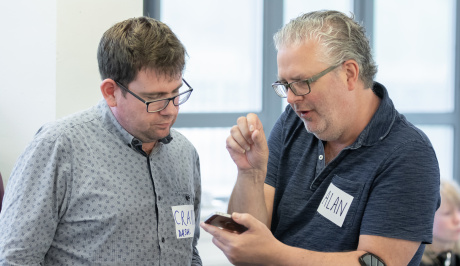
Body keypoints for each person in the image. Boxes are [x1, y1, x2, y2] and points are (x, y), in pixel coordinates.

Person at [201, 10, 440, 266]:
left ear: (349, 73)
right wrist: (250, 173)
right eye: (285, 85)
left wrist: (273, 254)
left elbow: (376, 263)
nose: (291, 98)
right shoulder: (295, 122)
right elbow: (248, 248)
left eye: (302, 82)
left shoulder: (408, 153)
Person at [0, 17, 202, 265]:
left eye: (176, 93)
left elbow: (188, 252)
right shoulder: (59, 147)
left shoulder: (185, 153)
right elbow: (17, 259)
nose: (170, 110)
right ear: (111, 92)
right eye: (155, 98)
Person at [421, 179, 460, 266]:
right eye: (447, 213)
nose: (457, 219)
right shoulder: (413, 261)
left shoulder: (455, 257)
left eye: (459, 210)